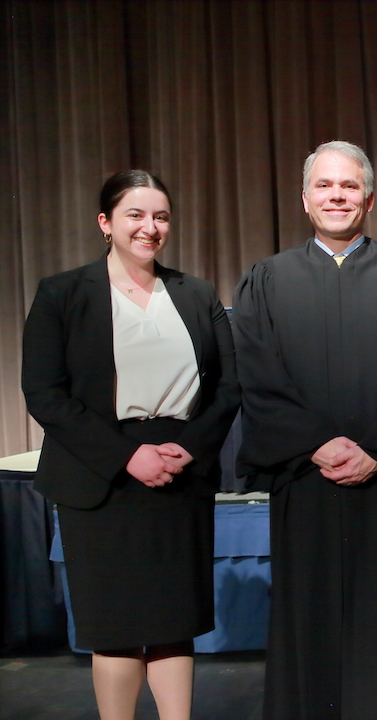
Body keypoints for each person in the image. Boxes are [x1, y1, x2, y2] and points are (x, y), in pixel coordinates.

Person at [232, 140, 377, 720]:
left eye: (349, 186)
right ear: (304, 199)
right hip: (306, 482)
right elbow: (257, 376)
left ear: (368, 198)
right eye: (324, 185)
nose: (336, 196)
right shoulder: (267, 282)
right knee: (310, 619)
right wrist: (316, 445)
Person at [21, 170, 240, 720]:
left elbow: (229, 386)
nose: (150, 227)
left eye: (160, 216)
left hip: (179, 473)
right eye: (135, 215)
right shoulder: (62, 293)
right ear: (106, 223)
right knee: (115, 628)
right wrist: (127, 456)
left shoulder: (196, 292)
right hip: (101, 478)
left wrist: (189, 447)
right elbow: (45, 393)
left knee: (173, 625)